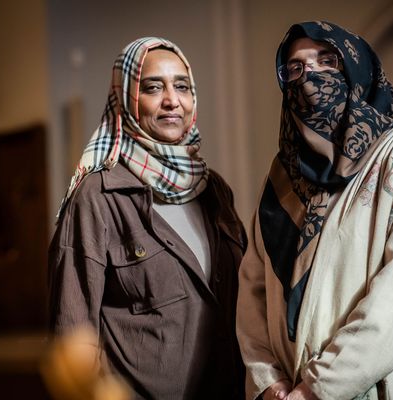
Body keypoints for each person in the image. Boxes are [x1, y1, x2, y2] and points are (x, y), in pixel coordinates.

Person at [236, 21, 393, 400]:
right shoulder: (281, 181)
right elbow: (252, 293)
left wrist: (317, 389)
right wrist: (269, 383)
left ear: (358, 70)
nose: (309, 78)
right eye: (296, 69)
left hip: (381, 386)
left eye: (326, 60)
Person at [48, 37, 247, 400]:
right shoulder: (97, 195)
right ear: (126, 99)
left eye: (182, 86)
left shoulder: (215, 190)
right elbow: (73, 341)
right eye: (153, 87)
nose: (172, 100)